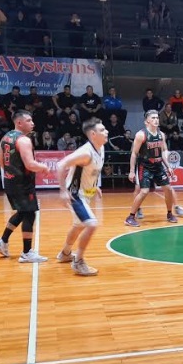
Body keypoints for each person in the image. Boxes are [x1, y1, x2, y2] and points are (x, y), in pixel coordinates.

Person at [0, 110, 50, 263]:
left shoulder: (5, 138)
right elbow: (30, 164)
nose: (33, 123)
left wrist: (12, 170)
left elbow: (0, 162)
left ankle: (2, 241)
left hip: (10, 181)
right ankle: (26, 252)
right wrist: (44, 167)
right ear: (19, 123)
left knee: (22, 212)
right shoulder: (23, 140)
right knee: (30, 214)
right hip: (22, 183)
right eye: (29, 120)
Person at [55, 118, 108, 276]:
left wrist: (95, 186)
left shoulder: (101, 147)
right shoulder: (85, 152)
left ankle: (65, 253)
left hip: (86, 194)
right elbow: (60, 165)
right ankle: (78, 262)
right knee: (91, 224)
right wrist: (63, 191)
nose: (107, 132)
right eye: (102, 130)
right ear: (93, 134)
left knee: (79, 226)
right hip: (75, 195)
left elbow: (92, 170)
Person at [125, 110, 182, 227]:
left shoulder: (161, 135)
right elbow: (134, 154)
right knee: (144, 191)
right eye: (153, 118)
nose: (156, 120)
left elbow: (161, 153)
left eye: (157, 117)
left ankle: (170, 213)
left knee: (168, 189)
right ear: (147, 121)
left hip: (158, 165)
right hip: (144, 166)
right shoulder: (141, 135)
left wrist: (168, 166)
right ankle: (130, 217)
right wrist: (131, 171)